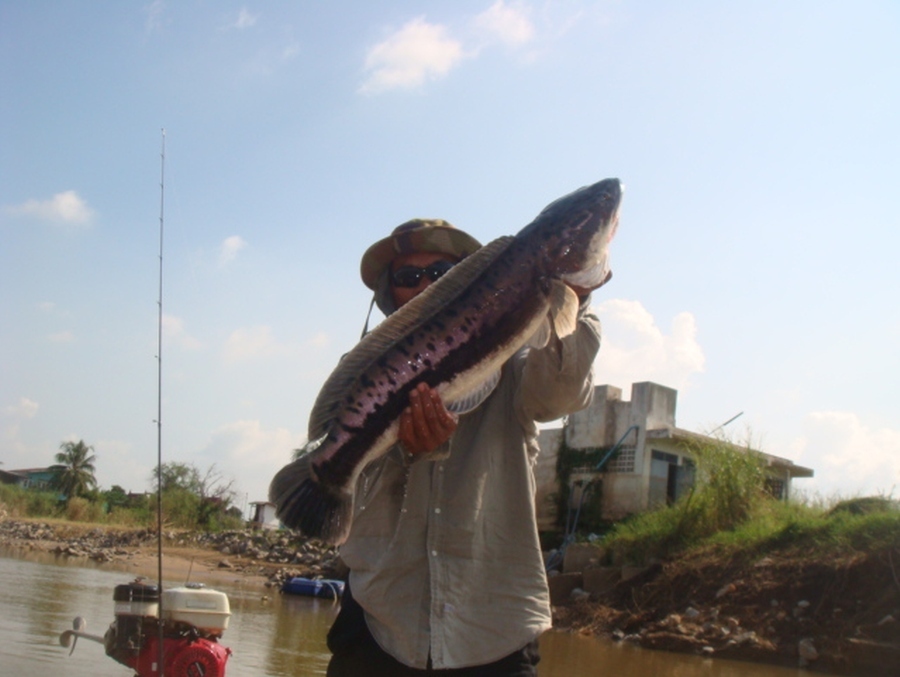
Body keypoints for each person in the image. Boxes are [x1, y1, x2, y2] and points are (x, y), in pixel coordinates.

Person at [326, 217, 602, 676]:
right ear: (387, 292)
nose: (426, 285)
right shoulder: (360, 376)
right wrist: (407, 451)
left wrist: (576, 296)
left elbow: (560, 396)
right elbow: (348, 501)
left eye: (442, 272)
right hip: (377, 625)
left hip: (494, 631)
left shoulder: (517, 355)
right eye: (408, 277)